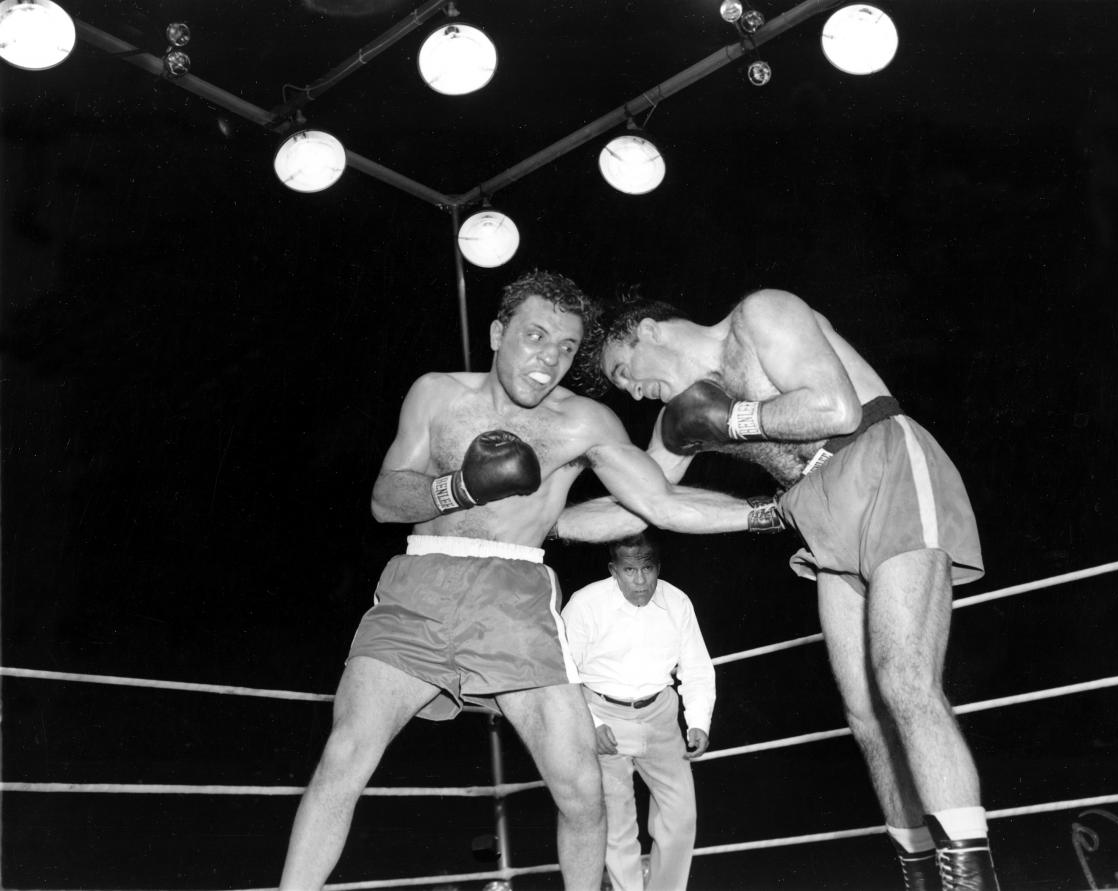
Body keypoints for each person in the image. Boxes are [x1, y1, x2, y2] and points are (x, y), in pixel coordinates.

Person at [277, 271, 779, 891]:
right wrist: (457, 486)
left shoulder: (588, 423)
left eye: (566, 348)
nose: (549, 359)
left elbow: (655, 502)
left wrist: (771, 512)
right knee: (343, 759)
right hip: (420, 582)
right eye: (536, 336)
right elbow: (385, 498)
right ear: (496, 332)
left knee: (582, 790)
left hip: (517, 596)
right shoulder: (436, 395)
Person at [582, 287, 998, 891]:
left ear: (647, 329)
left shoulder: (759, 316)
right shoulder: (679, 419)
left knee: (904, 680)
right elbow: (647, 507)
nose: (632, 391)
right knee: (865, 713)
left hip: (878, 458)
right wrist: (536, 520)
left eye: (625, 371)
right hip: (813, 506)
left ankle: (973, 883)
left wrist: (731, 420)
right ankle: (920, 878)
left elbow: (836, 408)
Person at [561, 532, 715, 891]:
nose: (641, 580)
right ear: (614, 569)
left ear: (658, 566)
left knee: (681, 818)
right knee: (617, 823)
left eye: (647, 568)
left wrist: (698, 721)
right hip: (602, 712)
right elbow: (564, 673)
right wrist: (592, 722)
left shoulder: (677, 602)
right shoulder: (585, 605)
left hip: (660, 714)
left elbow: (696, 668)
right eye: (630, 570)